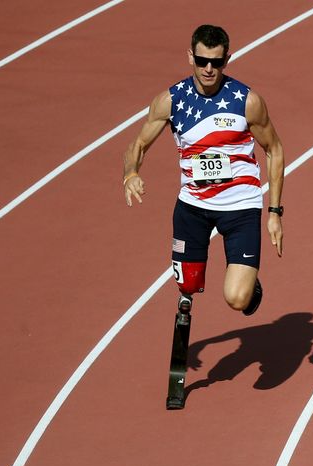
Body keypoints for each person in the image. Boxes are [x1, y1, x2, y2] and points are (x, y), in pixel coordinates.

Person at [122, 24, 284, 318]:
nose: (209, 69)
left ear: (227, 59)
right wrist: (131, 173)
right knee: (188, 284)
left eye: (217, 62)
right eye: (202, 61)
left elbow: (274, 149)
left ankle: (250, 288)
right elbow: (138, 145)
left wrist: (274, 212)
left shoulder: (247, 102)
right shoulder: (171, 101)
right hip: (193, 207)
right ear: (190, 57)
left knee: (237, 299)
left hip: (240, 207)